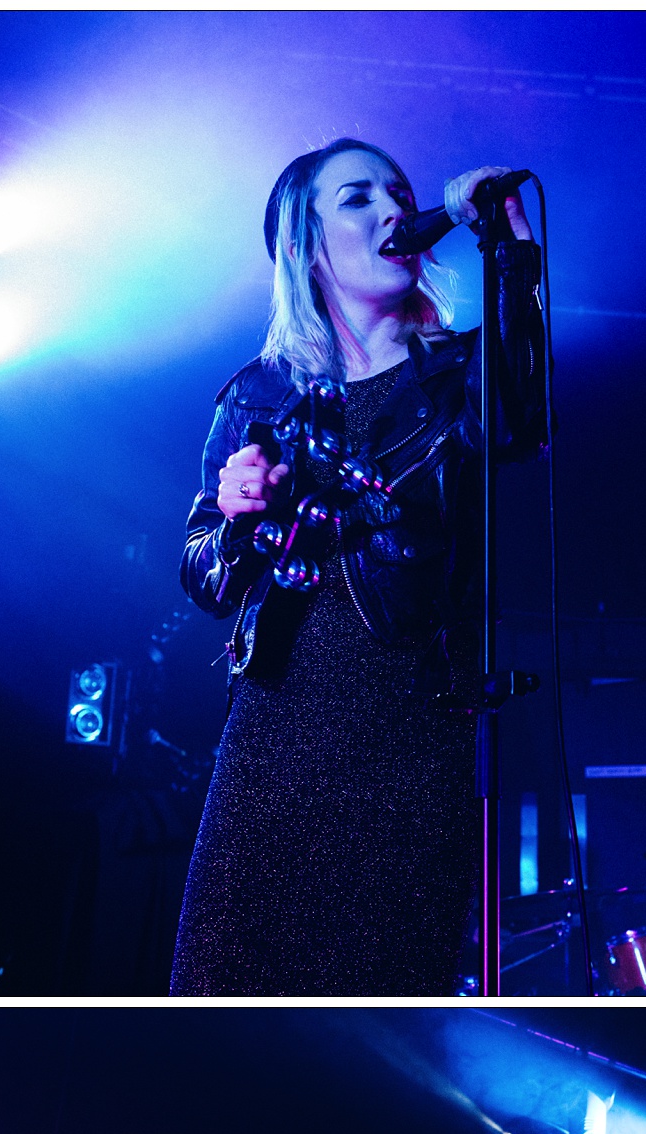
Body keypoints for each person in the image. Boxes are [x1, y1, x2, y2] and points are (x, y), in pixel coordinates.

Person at [171, 140, 546, 996]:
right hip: (275, 731)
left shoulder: (458, 376)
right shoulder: (256, 395)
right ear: (306, 245)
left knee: (381, 989)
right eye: (357, 198)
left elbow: (519, 424)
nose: (389, 209)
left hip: (413, 731)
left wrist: (509, 255)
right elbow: (201, 577)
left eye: (399, 193)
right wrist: (234, 524)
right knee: (225, 989)